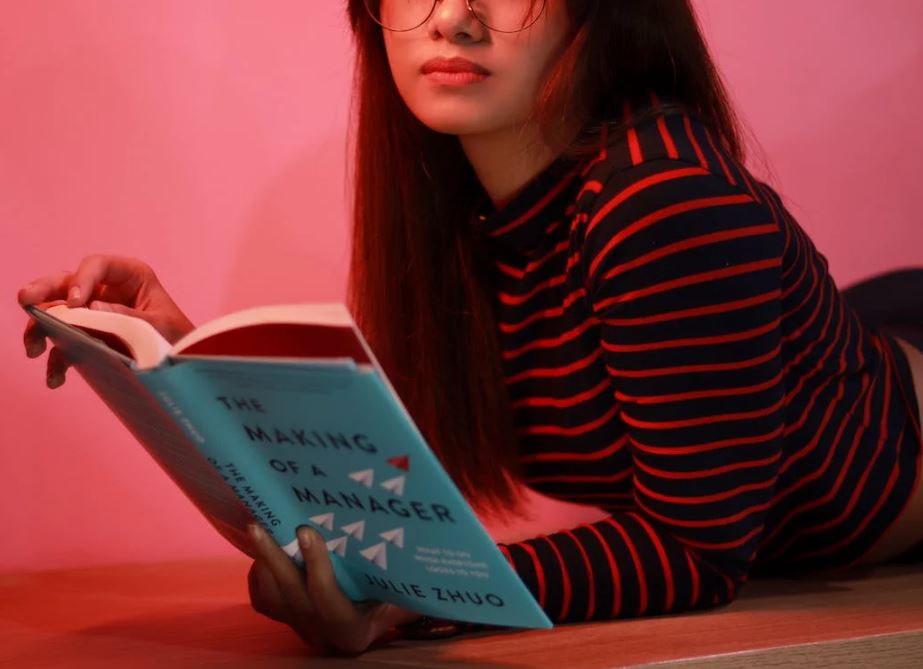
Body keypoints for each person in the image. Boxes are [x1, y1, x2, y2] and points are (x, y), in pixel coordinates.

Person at [16, 0, 923, 657]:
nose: (451, 17)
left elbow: (697, 550)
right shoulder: (464, 207)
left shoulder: (661, 198)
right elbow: (383, 483)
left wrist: (415, 604)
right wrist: (179, 358)